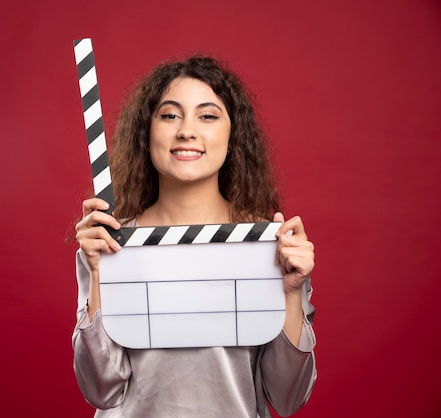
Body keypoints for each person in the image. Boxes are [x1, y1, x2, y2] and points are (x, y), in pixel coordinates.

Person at [72, 55, 317, 418]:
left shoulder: (271, 245)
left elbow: (287, 397)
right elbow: (101, 389)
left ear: (233, 135)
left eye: (208, 115)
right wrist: (97, 273)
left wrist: (292, 291)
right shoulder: (109, 242)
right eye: (169, 115)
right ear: (147, 132)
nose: (186, 130)